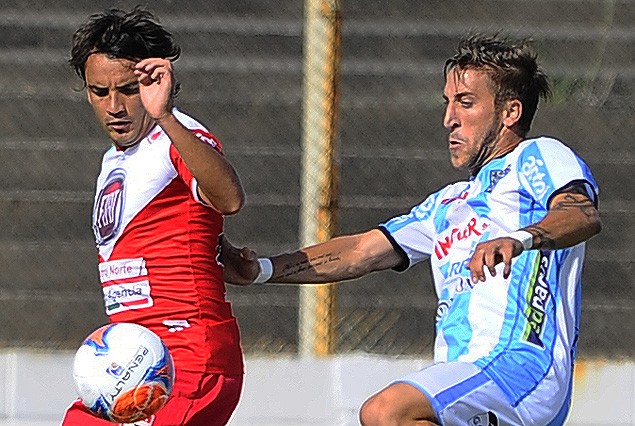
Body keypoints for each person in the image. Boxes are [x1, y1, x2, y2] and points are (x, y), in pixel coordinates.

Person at [222, 34, 602, 425]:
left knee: (386, 411)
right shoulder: (445, 204)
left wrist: (519, 239)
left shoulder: (537, 156)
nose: (449, 118)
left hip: (520, 366)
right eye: (448, 102)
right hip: (469, 374)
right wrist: (261, 270)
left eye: (465, 102)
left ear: (510, 112)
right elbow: (359, 252)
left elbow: (581, 214)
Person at [63, 7, 246, 426]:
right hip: (130, 360)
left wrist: (163, 114)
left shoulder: (177, 134)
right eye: (98, 91)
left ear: (155, 81)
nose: (114, 106)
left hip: (190, 356)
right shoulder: (114, 159)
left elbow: (229, 198)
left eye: (128, 89)